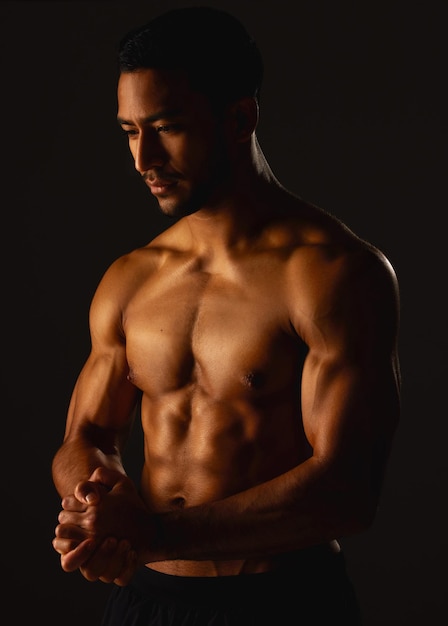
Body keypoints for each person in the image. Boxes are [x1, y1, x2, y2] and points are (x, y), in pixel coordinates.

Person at [51, 6, 401, 625]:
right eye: (130, 131)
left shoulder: (332, 273)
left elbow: (348, 489)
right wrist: (94, 503)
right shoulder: (132, 277)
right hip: (146, 600)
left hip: (283, 603)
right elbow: (88, 437)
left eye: (167, 127)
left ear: (241, 118)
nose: (143, 159)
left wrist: (153, 535)